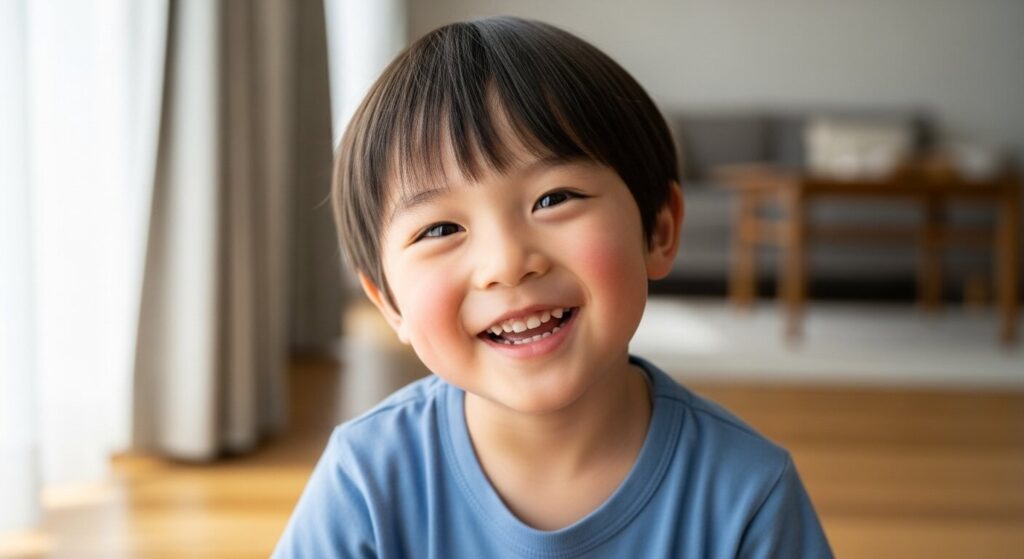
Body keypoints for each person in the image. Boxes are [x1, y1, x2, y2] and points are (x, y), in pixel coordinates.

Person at [273, 16, 832, 558]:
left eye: (554, 198)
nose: (508, 264)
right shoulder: (366, 480)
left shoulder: (749, 493)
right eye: (440, 229)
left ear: (658, 229)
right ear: (388, 302)